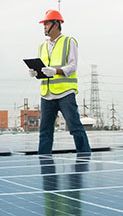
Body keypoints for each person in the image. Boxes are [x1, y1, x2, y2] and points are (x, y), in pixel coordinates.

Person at [29, 10, 91, 155]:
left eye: (46, 23)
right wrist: (35, 72)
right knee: (45, 131)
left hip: (65, 94)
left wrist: (56, 71)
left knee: (75, 127)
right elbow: (44, 70)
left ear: (56, 24)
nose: (44, 27)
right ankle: (44, 160)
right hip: (47, 95)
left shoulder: (69, 42)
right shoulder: (42, 46)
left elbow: (72, 66)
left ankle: (85, 156)